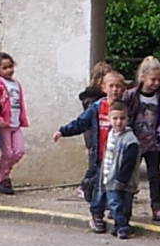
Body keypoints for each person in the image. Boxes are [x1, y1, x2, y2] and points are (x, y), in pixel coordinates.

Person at [54, 69, 127, 229]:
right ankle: (97, 214)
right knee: (100, 188)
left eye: (118, 86)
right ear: (104, 88)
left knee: (118, 187)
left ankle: (117, 215)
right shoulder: (97, 107)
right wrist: (63, 131)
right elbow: (81, 123)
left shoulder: (125, 109)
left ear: (123, 89)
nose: (115, 90)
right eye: (111, 86)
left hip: (119, 157)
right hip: (102, 156)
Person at [122, 56, 160, 220]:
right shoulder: (130, 95)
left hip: (153, 143)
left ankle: (157, 207)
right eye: (153, 79)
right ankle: (124, 206)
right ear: (143, 77)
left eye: (159, 80)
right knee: (130, 175)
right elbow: (123, 114)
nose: (156, 83)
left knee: (154, 175)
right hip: (134, 141)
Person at [95, 102, 142, 239]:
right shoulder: (111, 135)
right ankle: (120, 226)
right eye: (115, 118)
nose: (118, 122)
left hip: (123, 180)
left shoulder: (130, 140)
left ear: (127, 119)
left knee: (124, 205)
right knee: (115, 204)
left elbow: (130, 162)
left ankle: (122, 225)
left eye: (122, 118)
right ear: (109, 119)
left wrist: (121, 179)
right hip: (109, 177)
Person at [0, 52, 28, 195]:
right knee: (8, 152)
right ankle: (2, 179)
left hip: (15, 122)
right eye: (4, 68)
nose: (9, 70)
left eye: (10, 66)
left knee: (19, 151)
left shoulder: (16, 84)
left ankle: (2, 174)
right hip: (4, 124)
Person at [75, 62, 114, 203]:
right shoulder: (93, 101)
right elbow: (88, 124)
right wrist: (89, 142)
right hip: (94, 137)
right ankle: (86, 186)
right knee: (94, 166)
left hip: (102, 137)